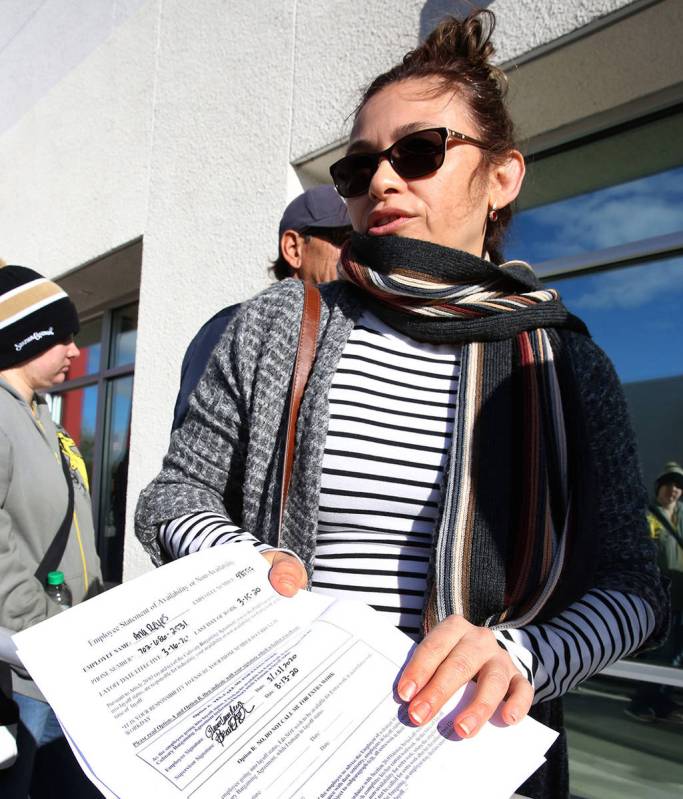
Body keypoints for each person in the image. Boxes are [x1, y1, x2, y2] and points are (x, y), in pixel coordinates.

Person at [135, 11, 667, 799]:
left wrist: (522, 655)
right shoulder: (284, 321)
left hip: (475, 753)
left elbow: (633, 587)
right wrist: (246, 564)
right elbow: (170, 497)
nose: (382, 180)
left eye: (419, 153)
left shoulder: (564, 361)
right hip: (279, 746)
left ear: (502, 176)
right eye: (356, 169)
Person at [0, 265, 103, 797]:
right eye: (62, 337)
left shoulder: (45, 419)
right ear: (25, 338)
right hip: (22, 673)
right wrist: (39, 629)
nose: (74, 352)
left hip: (62, 665)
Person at [172, 185, 352, 429]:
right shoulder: (231, 328)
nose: (352, 252)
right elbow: (194, 451)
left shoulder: (351, 331)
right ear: (293, 248)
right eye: (342, 238)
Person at [625, 462, 683, 722]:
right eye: (669, 484)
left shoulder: (681, 516)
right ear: (660, 487)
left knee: (676, 653)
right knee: (662, 651)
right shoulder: (650, 516)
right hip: (664, 596)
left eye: (679, 486)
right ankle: (641, 702)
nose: (673, 490)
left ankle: (662, 701)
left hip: (682, 595)